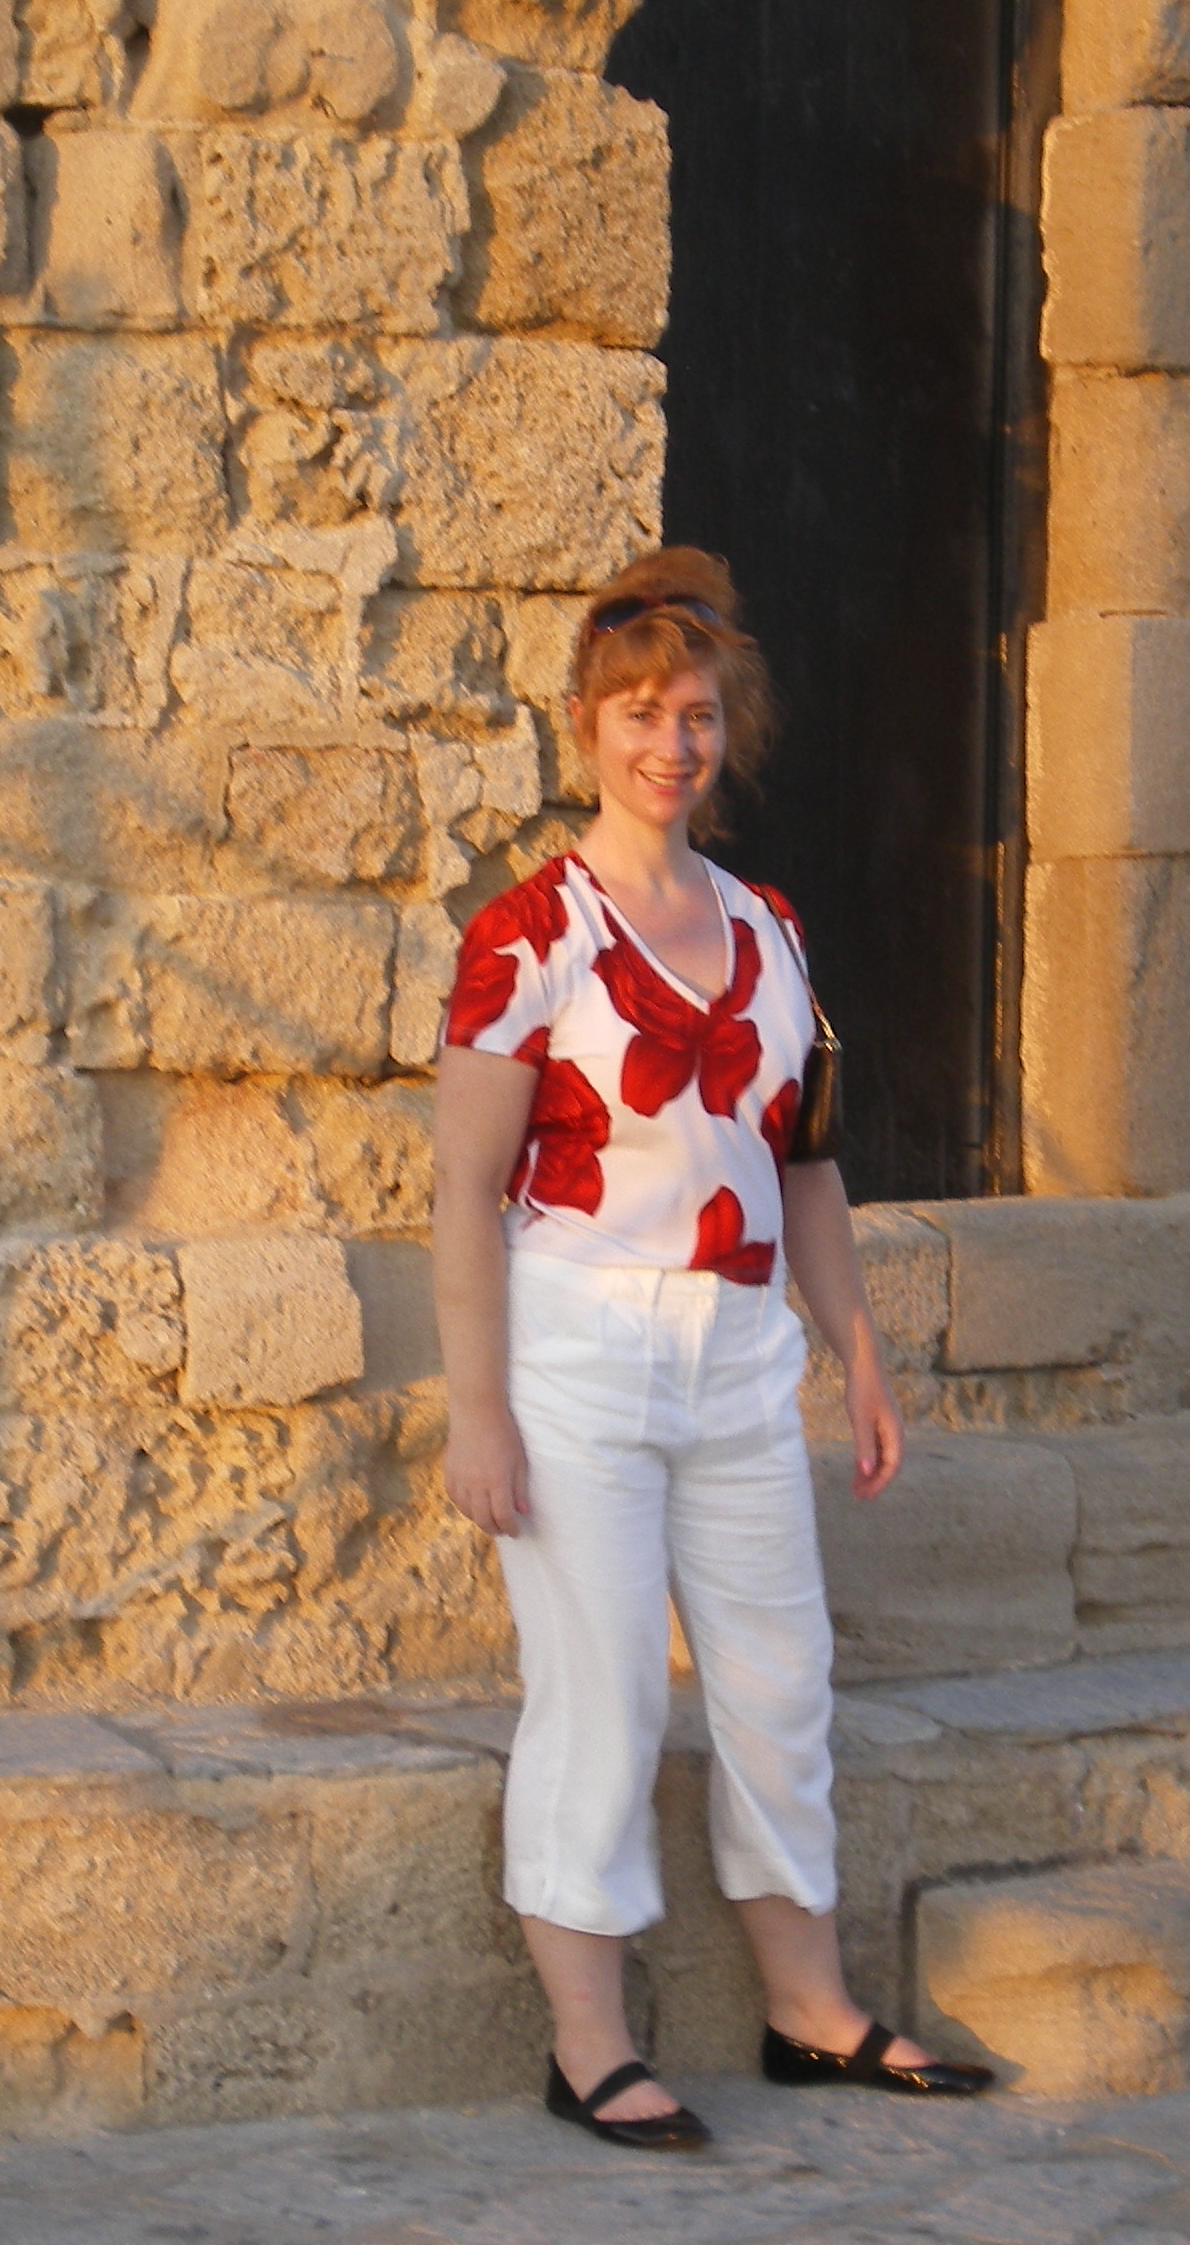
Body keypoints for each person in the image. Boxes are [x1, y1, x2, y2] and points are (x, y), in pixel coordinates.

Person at [429, 547, 994, 2150]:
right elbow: (463, 1193)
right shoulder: (527, 935)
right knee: (602, 1700)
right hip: (580, 1354)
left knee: (776, 1685)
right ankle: (589, 2044)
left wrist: (857, 1350)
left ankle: (811, 2013)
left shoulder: (773, 929)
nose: (669, 745)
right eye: (639, 714)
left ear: (726, 726)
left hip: (742, 1357)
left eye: (695, 715)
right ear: (585, 725)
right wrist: (479, 1413)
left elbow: (802, 1165)